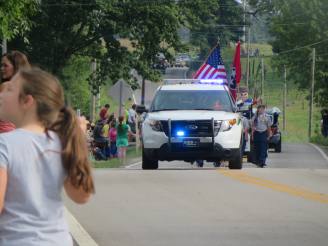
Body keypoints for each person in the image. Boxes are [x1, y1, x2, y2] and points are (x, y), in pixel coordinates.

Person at [0, 67, 95, 245]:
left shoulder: (4, 144)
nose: (2, 94)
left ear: (27, 101)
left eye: (10, 89)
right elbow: (81, 196)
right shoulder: (62, 143)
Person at [0, 51, 31, 133]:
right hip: (20, 133)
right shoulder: (28, 89)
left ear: (16, 67)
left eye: (5, 66)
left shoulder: (6, 86)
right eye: (1, 65)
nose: (2, 68)